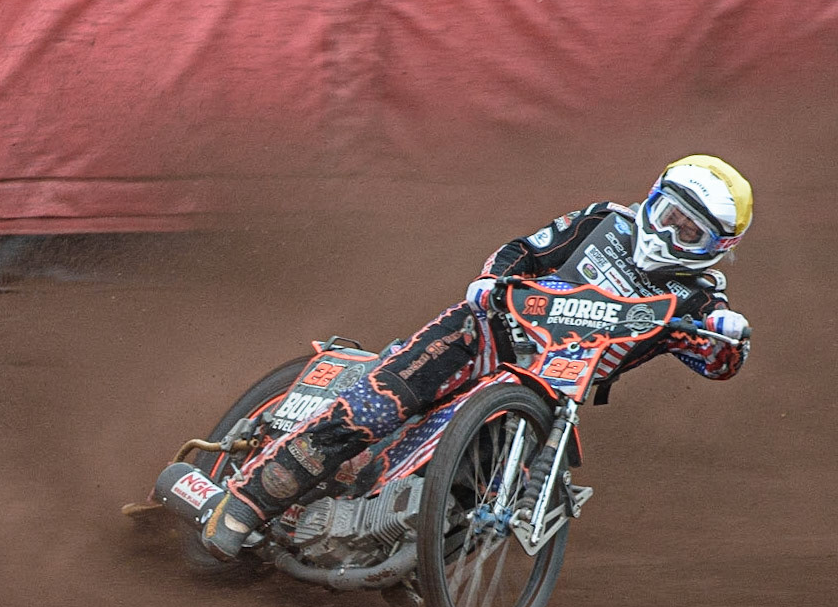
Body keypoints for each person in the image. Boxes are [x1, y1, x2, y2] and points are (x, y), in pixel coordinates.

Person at [201, 154, 754, 560]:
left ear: (717, 249)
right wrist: (493, 279)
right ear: (651, 200)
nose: (668, 235)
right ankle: (247, 502)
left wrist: (730, 338)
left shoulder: (701, 298)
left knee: (483, 480)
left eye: (690, 233)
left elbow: (715, 362)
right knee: (376, 407)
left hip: (550, 388)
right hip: (483, 333)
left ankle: (418, 559)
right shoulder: (603, 221)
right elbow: (526, 250)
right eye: (668, 215)